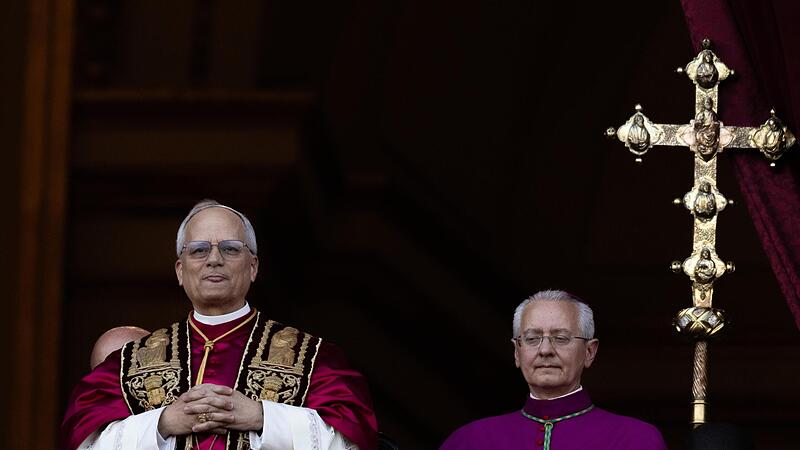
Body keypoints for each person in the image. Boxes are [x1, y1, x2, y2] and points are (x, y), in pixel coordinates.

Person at [61, 200, 378, 450]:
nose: (214, 259)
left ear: (253, 267)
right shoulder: (130, 362)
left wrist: (262, 417)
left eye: (230, 248)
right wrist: (162, 423)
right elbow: (86, 440)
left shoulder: (311, 357)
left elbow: (353, 439)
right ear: (180, 270)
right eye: (199, 250)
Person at [440, 290, 667, 450]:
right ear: (517, 352)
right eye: (531, 339)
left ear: (589, 351)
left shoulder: (636, 440)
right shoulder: (471, 440)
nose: (545, 350)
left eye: (560, 338)